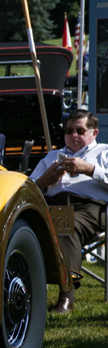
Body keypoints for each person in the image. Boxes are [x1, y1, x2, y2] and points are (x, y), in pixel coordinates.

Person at [30, 108, 108, 313]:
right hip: (51, 204)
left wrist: (90, 170)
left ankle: (67, 296)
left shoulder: (104, 152)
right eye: (69, 131)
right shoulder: (52, 156)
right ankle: (23, 289)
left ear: (94, 133)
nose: (73, 135)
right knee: (22, 227)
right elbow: (26, 188)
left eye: (80, 131)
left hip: (90, 207)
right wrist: (43, 181)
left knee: (66, 225)